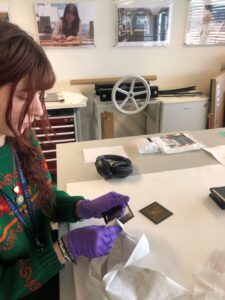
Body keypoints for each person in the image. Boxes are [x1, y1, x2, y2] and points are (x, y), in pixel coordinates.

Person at [0, 21, 129, 300]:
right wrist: (65, 249)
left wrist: (80, 207)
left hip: (54, 277)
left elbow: (41, 199)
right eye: (24, 96)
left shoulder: (21, 138)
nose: (38, 110)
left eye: (40, 96)